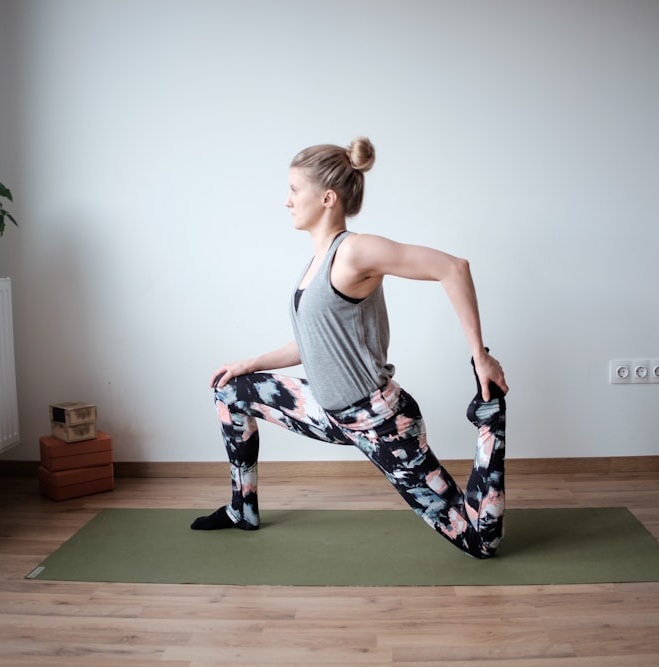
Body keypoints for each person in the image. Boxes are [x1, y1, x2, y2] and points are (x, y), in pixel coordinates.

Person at [194, 136, 509, 558]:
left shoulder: (355, 251)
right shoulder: (317, 263)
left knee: (479, 543)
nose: (286, 201)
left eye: (293, 189)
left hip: (381, 424)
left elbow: (453, 268)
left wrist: (480, 356)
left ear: (326, 197)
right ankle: (242, 509)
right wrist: (250, 363)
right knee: (229, 390)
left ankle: (492, 423)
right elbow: (315, 345)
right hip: (328, 411)